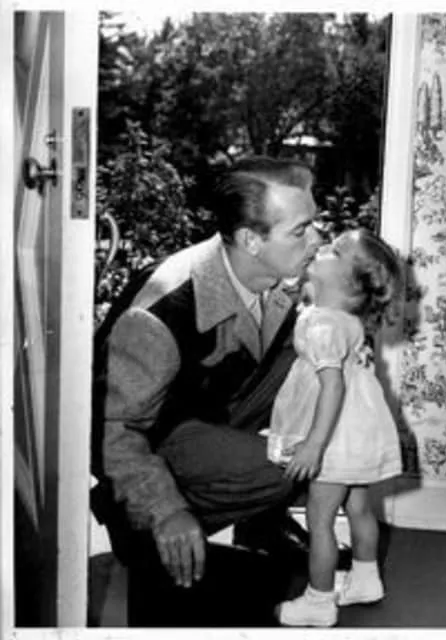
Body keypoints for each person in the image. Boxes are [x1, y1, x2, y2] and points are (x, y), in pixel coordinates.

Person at [91, 156, 322, 625]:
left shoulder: (277, 277)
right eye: (301, 231)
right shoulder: (159, 312)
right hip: (155, 438)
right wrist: (165, 510)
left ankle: (260, 524)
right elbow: (113, 432)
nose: (317, 239)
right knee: (286, 465)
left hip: (211, 409)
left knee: (320, 365)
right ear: (251, 240)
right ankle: (147, 531)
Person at [267, 228, 403, 627]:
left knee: (320, 517)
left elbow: (332, 386)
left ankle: (319, 601)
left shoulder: (323, 324)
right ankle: (366, 579)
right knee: (358, 506)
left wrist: (314, 444)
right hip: (361, 431)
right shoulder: (347, 320)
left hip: (336, 435)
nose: (323, 247)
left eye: (335, 250)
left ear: (348, 280)